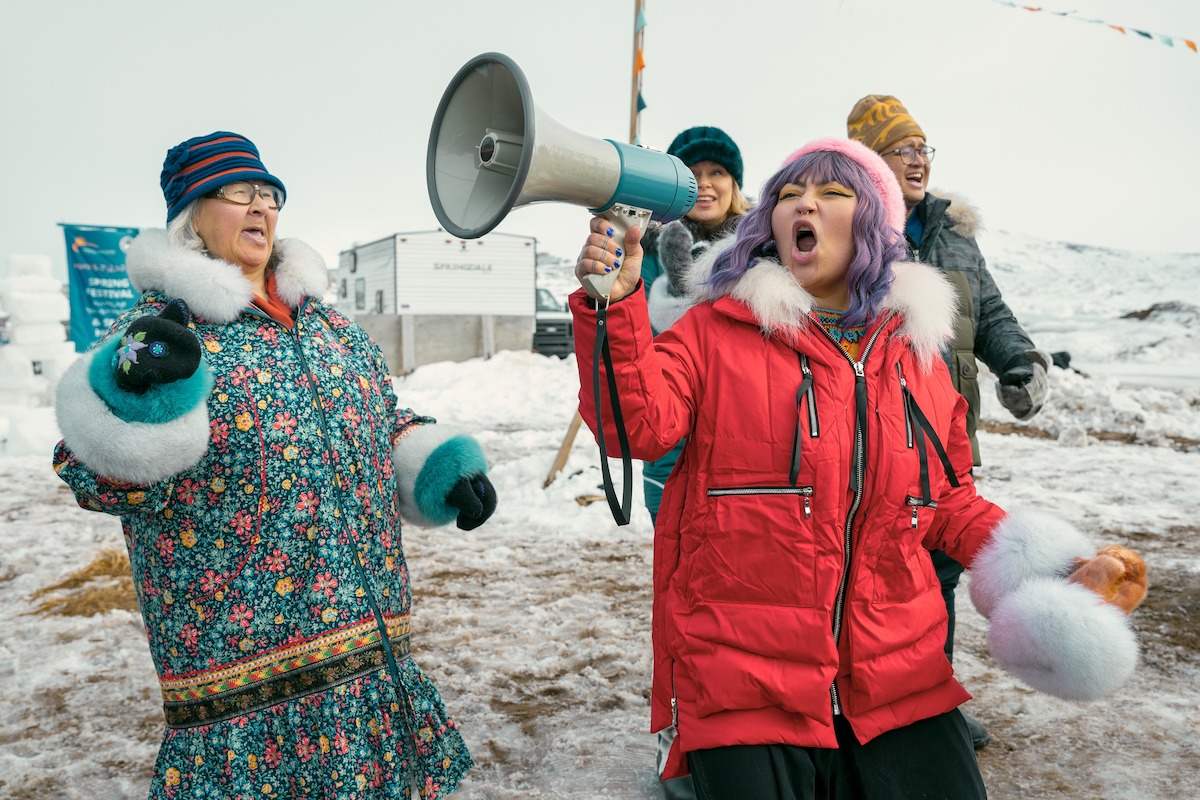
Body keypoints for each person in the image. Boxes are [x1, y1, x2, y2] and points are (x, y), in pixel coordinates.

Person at [569, 137, 1144, 799]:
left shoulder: (917, 356)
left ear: (874, 222)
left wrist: (1055, 570)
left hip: (902, 674)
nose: (802, 204)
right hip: (741, 678)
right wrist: (612, 306)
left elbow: (945, 502)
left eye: (832, 193)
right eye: (787, 195)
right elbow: (633, 425)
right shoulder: (713, 331)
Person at [52, 131, 497, 799]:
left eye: (269, 194)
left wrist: (440, 469)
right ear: (192, 216)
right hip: (242, 671)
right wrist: (133, 395)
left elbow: (381, 419)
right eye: (239, 193)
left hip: (363, 645)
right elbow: (86, 470)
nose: (260, 207)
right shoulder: (161, 333)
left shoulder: (329, 326)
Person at [848, 95, 1051, 748]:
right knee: (877, 576)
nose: (917, 159)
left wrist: (1018, 363)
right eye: (901, 147)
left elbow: (989, 313)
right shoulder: (845, 227)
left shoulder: (954, 236)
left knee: (940, 572)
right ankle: (854, 698)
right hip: (869, 441)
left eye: (922, 147)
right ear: (869, 160)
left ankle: (931, 705)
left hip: (946, 438)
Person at [638, 125, 750, 800]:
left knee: (741, 600)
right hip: (673, 452)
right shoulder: (649, 248)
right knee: (682, 598)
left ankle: (739, 735)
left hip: (747, 451)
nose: (704, 182)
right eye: (690, 172)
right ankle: (676, 731)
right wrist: (668, 285)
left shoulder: (762, 250)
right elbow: (637, 352)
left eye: (718, 172)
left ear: (738, 185)